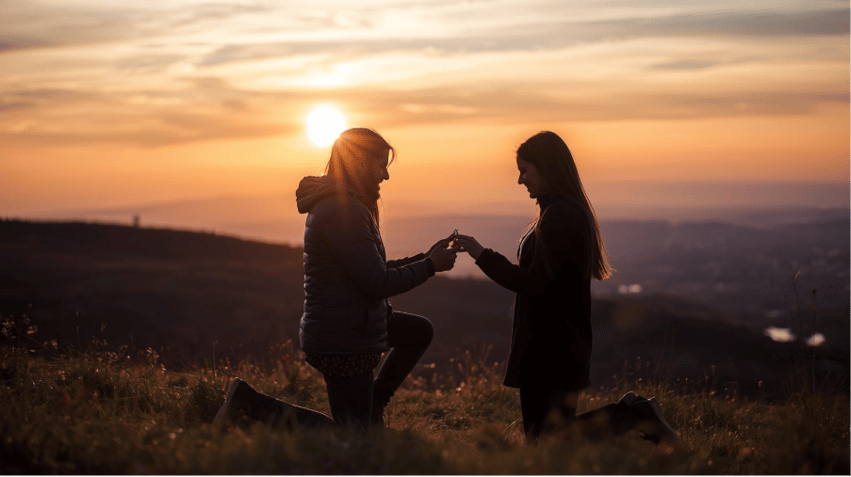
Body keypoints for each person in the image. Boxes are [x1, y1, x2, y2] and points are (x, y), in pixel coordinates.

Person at [215, 127, 458, 430]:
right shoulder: (344, 211)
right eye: (381, 164)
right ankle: (249, 404)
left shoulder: (347, 206)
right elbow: (376, 284)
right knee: (352, 437)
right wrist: (430, 267)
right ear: (359, 163)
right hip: (342, 339)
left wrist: (425, 258)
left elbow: (369, 269)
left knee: (418, 331)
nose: (385, 175)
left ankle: (372, 405)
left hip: (350, 325)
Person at [454, 131, 683, 447]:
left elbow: (534, 283)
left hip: (550, 350)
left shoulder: (560, 216)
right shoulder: (558, 212)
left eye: (525, 171)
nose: (520, 181)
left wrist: (483, 255)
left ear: (546, 169)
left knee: (547, 443)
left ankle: (632, 414)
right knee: (546, 443)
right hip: (554, 347)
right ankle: (631, 412)